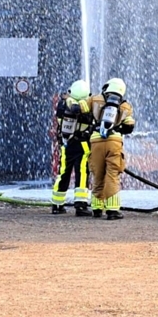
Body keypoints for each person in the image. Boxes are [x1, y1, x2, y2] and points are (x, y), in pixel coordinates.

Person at [81, 78, 135, 220]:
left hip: (96, 140)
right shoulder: (125, 106)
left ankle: (97, 208)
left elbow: (80, 109)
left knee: (97, 174)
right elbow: (129, 126)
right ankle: (112, 210)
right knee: (112, 175)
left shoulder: (95, 99)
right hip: (114, 141)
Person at [51, 80, 94, 216]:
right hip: (82, 143)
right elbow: (91, 122)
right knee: (82, 173)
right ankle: (80, 206)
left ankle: (57, 205)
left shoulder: (62, 105)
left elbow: (58, 121)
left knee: (63, 172)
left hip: (66, 143)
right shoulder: (86, 107)